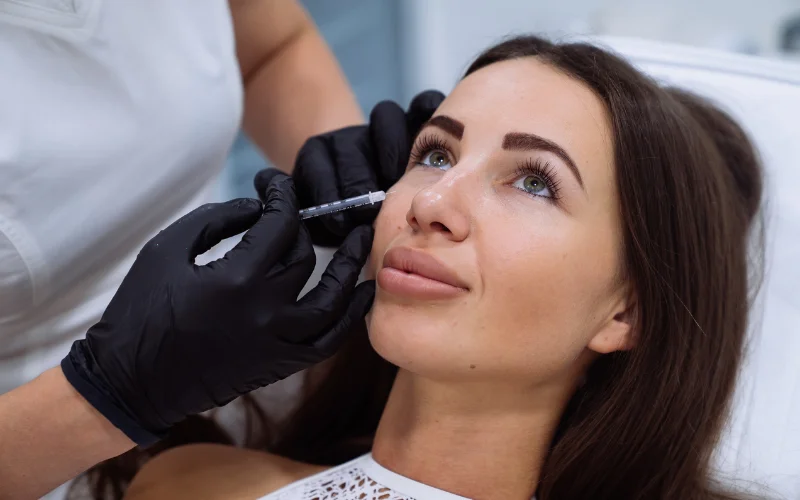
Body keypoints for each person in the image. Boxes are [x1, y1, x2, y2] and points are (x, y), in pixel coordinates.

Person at [112, 35, 763, 500]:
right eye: (436, 155)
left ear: (628, 310)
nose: (431, 202)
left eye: (534, 182)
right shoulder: (189, 481)